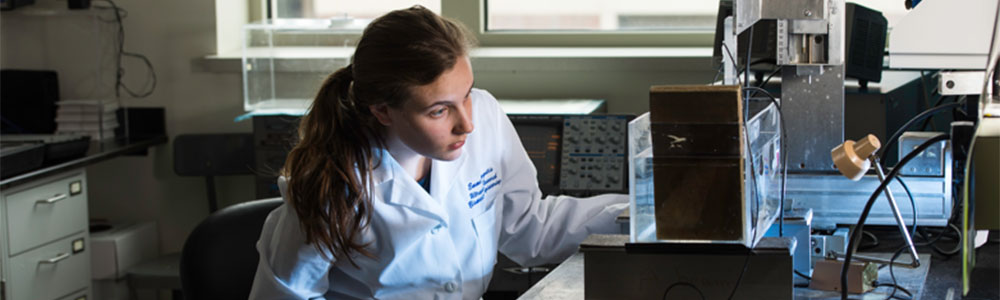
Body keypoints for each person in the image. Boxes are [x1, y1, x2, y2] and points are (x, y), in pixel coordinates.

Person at [249, 6, 628, 299]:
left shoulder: (486, 118)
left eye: (466, 95)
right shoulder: (333, 184)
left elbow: (530, 229)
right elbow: (283, 294)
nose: (467, 123)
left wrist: (639, 215)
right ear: (382, 110)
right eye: (439, 110)